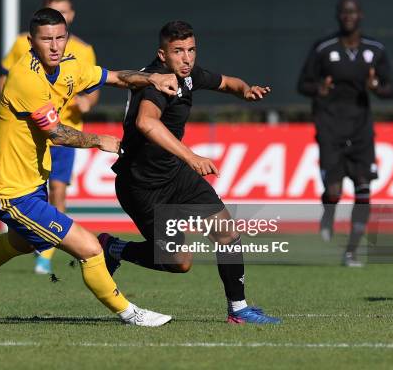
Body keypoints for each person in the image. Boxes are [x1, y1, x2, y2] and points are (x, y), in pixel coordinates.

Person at [0, 8, 179, 326]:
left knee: (21, 242)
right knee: (90, 248)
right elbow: (56, 133)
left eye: (59, 38)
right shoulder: (25, 78)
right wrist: (99, 140)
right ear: (31, 42)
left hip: (33, 183)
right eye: (46, 39)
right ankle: (130, 313)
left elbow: (116, 78)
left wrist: (152, 78)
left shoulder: (69, 67)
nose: (54, 46)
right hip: (11, 192)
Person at [100, 21, 281, 324]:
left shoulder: (189, 75)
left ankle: (239, 310)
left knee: (227, 231)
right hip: (142, 185)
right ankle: (113, 247)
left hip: (174, 174)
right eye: (178, 51)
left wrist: (245, 91)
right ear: (162, 55)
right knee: (179, 263)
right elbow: (147, 123)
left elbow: (226, 82)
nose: (187, 58)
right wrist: (192, 157)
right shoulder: (156, 85)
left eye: (191, 50)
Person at [0, 0, 99, 275]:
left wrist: (87, 102)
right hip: (32, 135)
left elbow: (94, 88)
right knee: (36, 198)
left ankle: (47, 252)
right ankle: (43, 243)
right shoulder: (22, 44)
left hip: (67, 131)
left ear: (71, 16)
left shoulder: (83, 50)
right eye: (55, 11)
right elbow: (5, 77)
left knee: (58, 191)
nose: (61, 16)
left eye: (65, 12)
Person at [297, 0, 393, 267]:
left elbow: (390, 90)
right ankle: (329, 211)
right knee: (335, 189)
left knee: (364, 190)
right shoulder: (324, 48)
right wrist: (320, 89)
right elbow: (302, 84)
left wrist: (376, 87)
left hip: (361, 129)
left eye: (353, 12)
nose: (348, 16)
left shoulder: (375, 49)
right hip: (330, 127)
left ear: (360, 15)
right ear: (338, 16)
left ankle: (351, 251)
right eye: (344, 12)